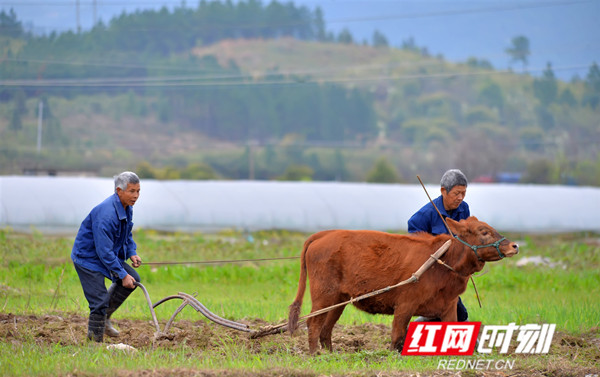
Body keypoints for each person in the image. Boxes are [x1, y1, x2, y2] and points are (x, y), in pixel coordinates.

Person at [71, 171, 142, 342]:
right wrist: (122, 274)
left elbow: (127, 233)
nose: (136, 196)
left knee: (134, 279)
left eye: (138, 191)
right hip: (88, 258)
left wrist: (131, 252)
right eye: (132, 191)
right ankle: (94, 343)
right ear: (119, 191)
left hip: (105, 255)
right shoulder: (106, 215)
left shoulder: (127, 207)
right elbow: (104, 252)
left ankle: (105, 319)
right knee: (99, 302)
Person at [407, 169, 470, 322]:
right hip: (432, 273)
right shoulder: (424, 216)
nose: (460, 198)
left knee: (450, 309)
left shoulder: (464, 209)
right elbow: (416, 248)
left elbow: (466, 236)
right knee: (456, 311)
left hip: (452, 273)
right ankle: (471, 342)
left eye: (463, 193)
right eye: (456, 193)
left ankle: (420, 330)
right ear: (443, 191)